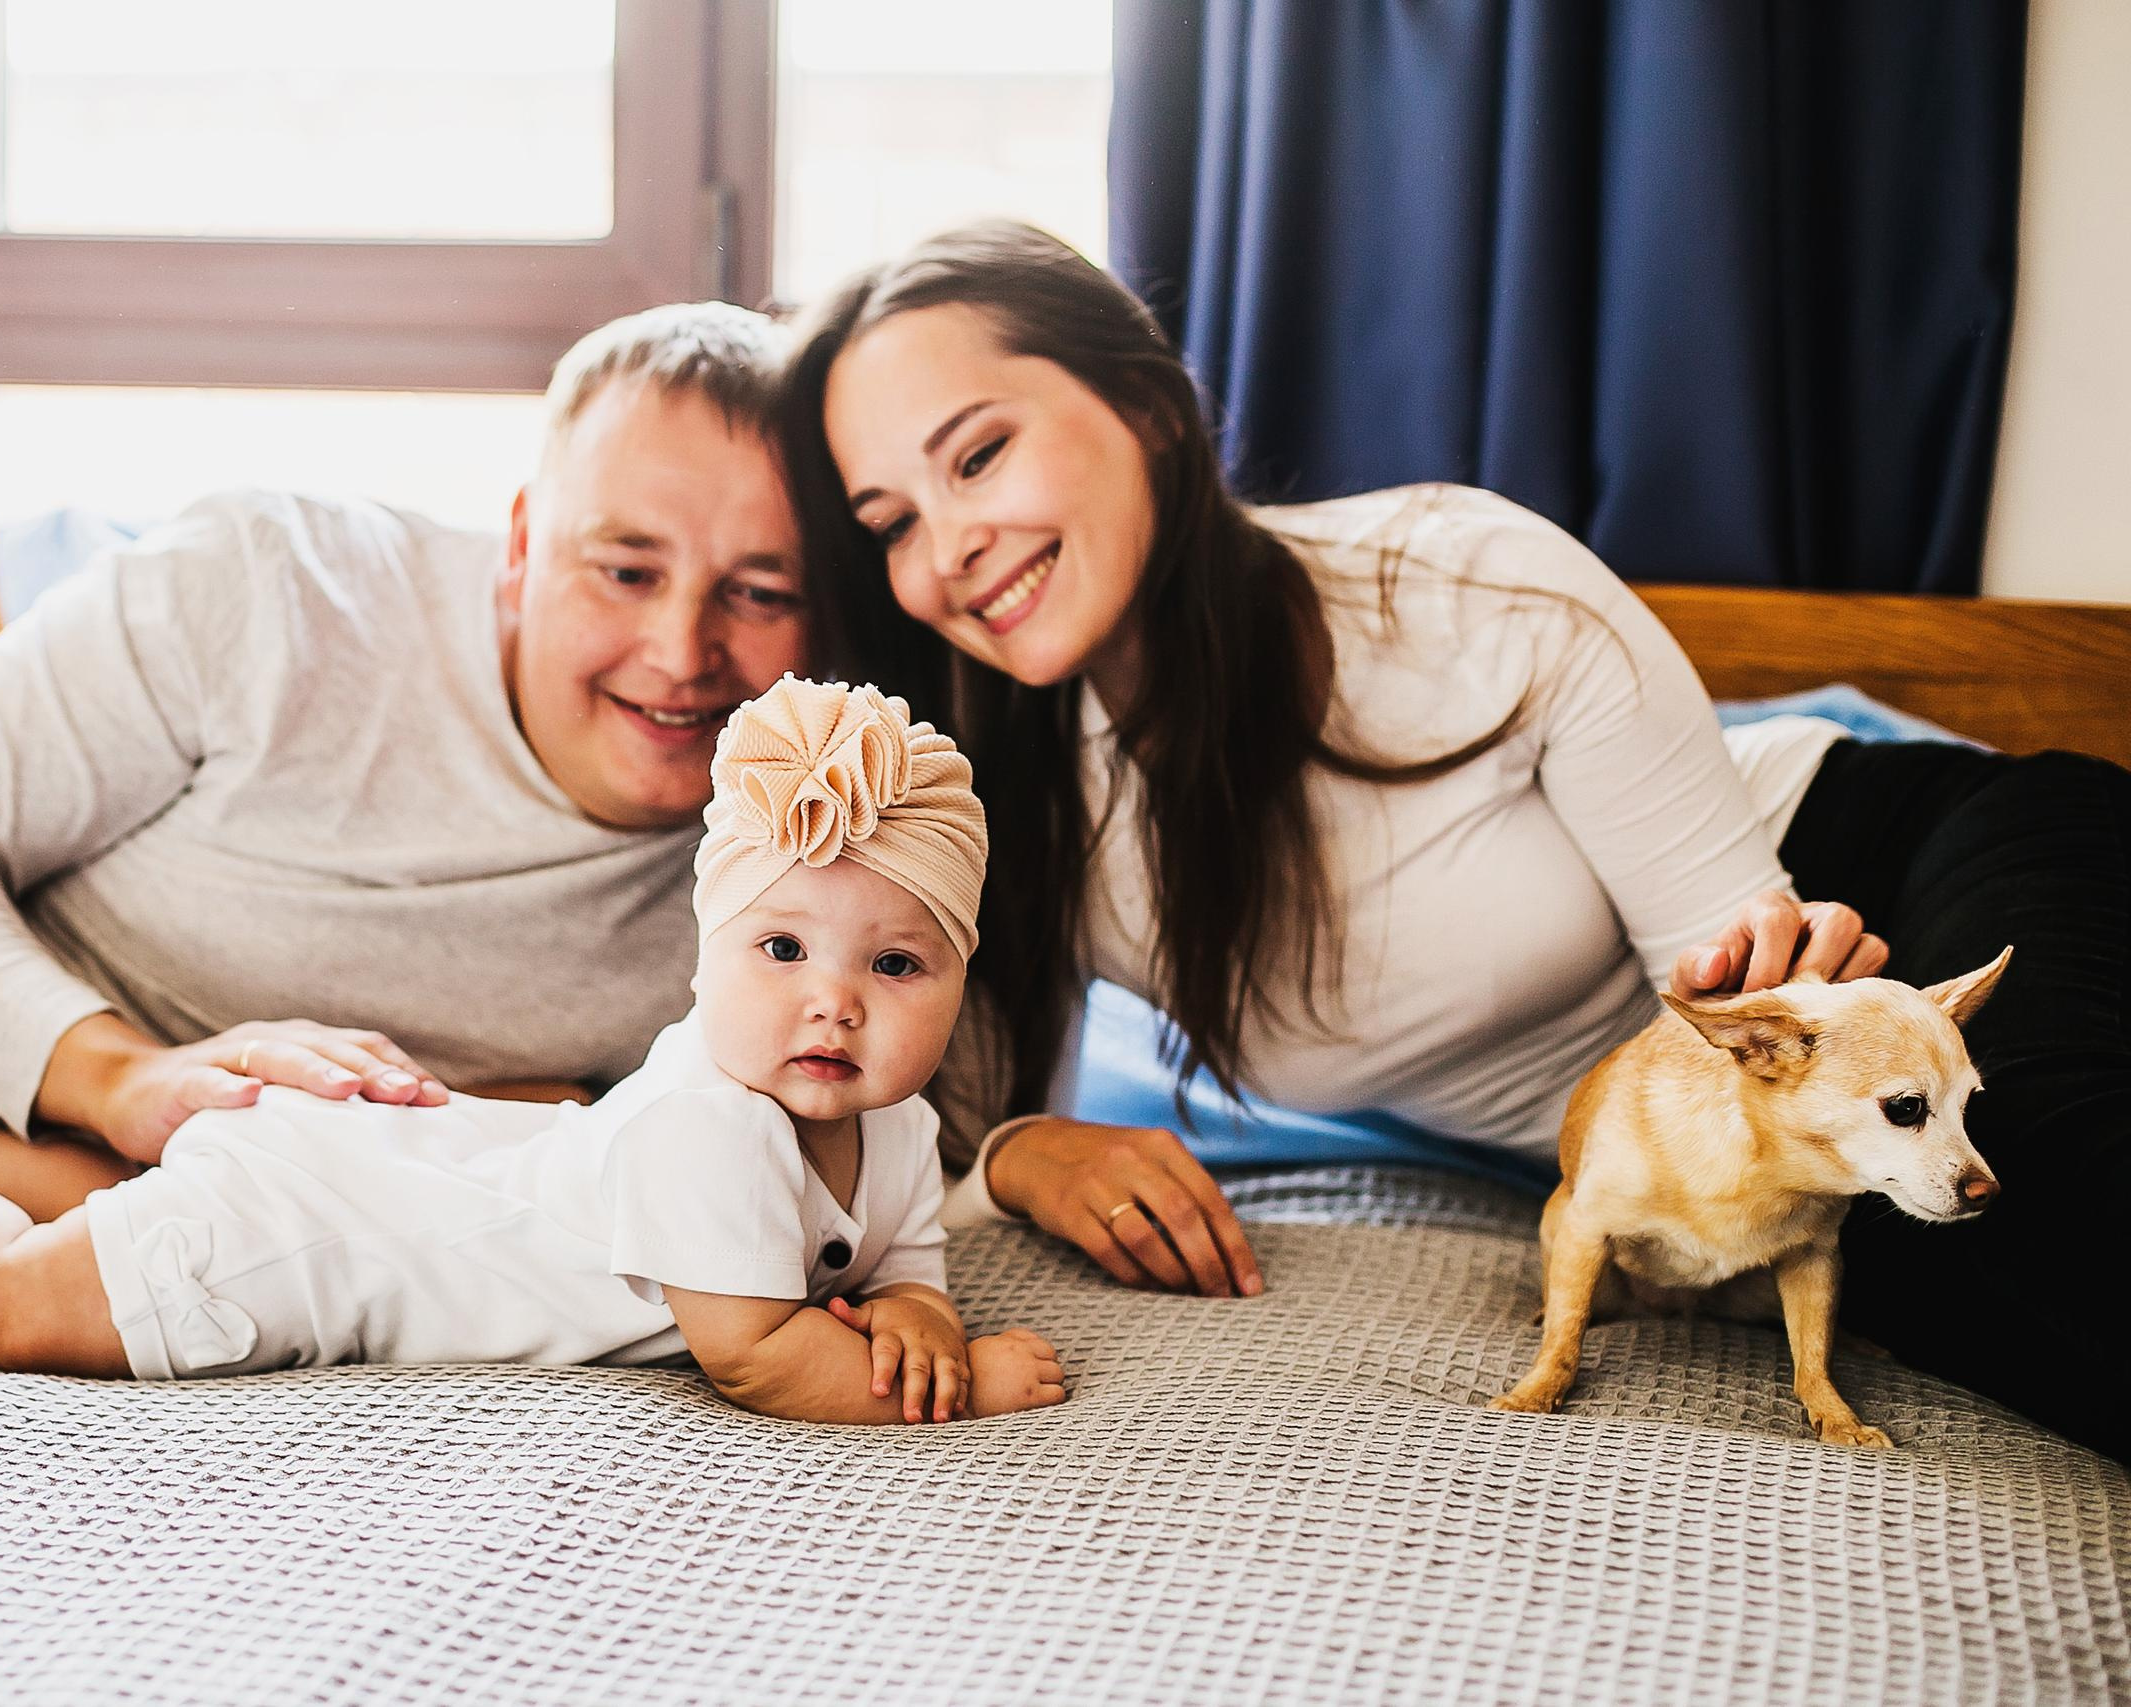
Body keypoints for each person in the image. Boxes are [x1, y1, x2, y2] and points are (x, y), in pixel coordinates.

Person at [781, 220, 2130, 1459]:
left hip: (1905, 868)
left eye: (977, 455)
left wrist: (1796, 1012)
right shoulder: (1003, 798)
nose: (946, 546)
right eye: (891, 523)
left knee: (2022, 1196)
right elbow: (898, 1157)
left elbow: (1735, 1020)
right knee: (1940, 1264)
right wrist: (1025, 1146)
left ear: (1142, 404)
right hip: (1717, 1094)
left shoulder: (1465, 586)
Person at [0, 679, 1068, 1425]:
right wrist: (962, 1384)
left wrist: (926, 1315)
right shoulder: (717, 1119)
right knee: (19, 1304)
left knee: (105, 1213)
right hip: (321, 1238)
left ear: (957, 979)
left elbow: (902, 1266)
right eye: (782, 950)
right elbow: (759, 1353)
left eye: (895, 962)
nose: (834, 1003)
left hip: (392, 1174)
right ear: (701, 956)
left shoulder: (898, 1128)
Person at [0, 301, 815, 1222]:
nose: (682, 654)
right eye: (625, 571)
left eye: (762, 594)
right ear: (525, 546)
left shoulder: (818, 850)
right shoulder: (275, 588)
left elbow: (947, 1124)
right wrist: (116, 1075)